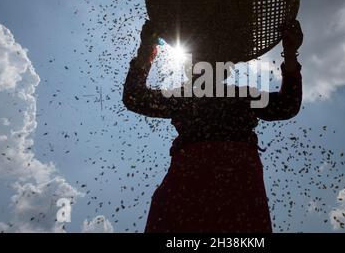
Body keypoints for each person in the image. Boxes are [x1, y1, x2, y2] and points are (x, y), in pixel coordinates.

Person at [123, 20, 303, 233]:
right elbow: (286, 106)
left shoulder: (198, 96)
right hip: (223, 185)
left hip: (212, 186)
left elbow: (286, 105)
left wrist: (146, 50)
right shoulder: (230, 95)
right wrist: (290, 54)